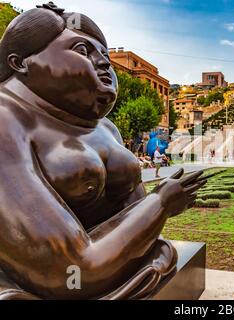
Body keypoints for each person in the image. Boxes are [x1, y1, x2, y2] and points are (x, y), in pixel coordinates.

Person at [0, 3, 206, 300]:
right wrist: (160, 203)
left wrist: (150, 213)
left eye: (105, 56)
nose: (104, 63)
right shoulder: (7, 121)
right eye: (83, 51)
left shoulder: (105, 128)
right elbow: (70, 272)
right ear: (21, 62)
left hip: (116, 267)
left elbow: (145, 233)